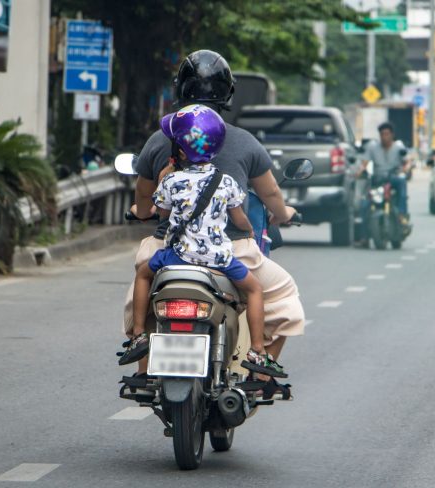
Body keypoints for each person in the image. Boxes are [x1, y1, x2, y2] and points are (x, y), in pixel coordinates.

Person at [122, 50, 303, 399]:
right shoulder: (244, 144)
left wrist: (145, 208)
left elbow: (147, 205)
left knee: (139, 286)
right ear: (228, 93)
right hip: (227, 252)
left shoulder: (160, 140)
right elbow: (270, 198)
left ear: (180, 90)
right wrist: (279, 217)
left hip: (170, 248)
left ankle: (142, 361)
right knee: (283, 296)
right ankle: (261, 369)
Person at [119, 105, 285, 378]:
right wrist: (251, 232)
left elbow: (162, 214)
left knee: (143, 273)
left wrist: (164, 178)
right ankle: (257, 351)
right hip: (219, 259)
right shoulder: (227, 182)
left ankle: (138, 334)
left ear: (181, 152)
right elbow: (239, 218)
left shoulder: (172, 181)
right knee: (255, 290)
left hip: (177, 256)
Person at [355, 122, 412, 244]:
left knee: (402, 182)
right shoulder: (372, 147)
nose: (384, 137)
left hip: (393, 179)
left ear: (392, 135)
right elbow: (364, 163)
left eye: (387, 134)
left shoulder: (398, 147)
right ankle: (364, 237)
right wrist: (359, 172)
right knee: (364, 204)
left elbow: (407, 161)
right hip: (377, 181)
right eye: (382, 134)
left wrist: (405, 169)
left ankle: (402, 215)